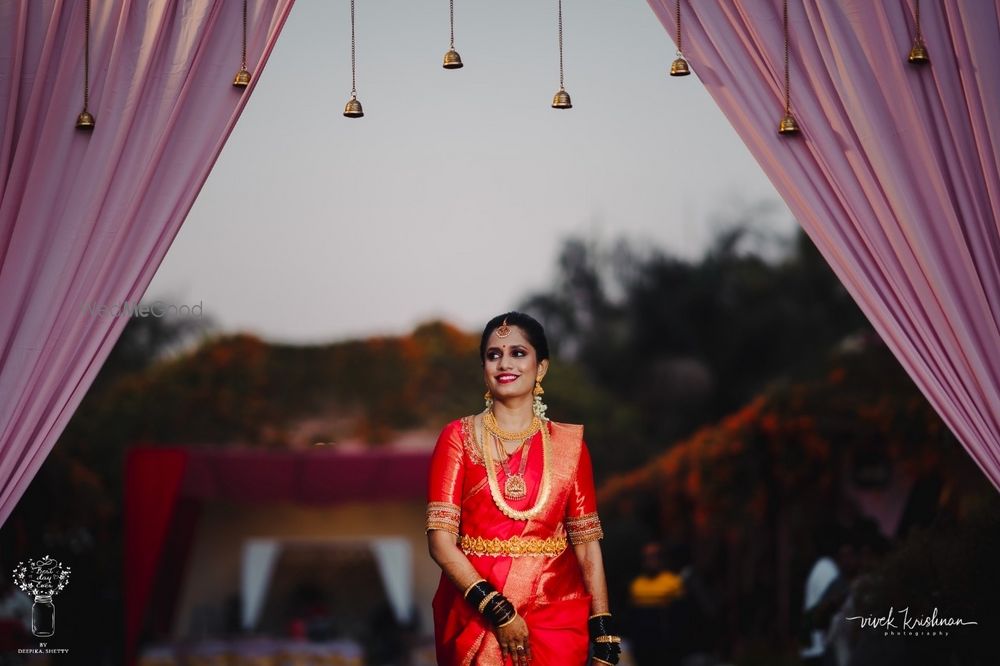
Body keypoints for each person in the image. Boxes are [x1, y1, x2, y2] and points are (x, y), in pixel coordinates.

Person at [426, 312, 622, 666]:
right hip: (477, 612)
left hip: (556, 614)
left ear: (541, 367)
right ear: (484, 368)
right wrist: (499, 611)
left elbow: (587, 545)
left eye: (518, 352)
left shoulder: (568, 446)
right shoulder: (457, 437)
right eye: (493, 354)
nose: (505, 363)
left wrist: (605, 634)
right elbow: (440, 540)